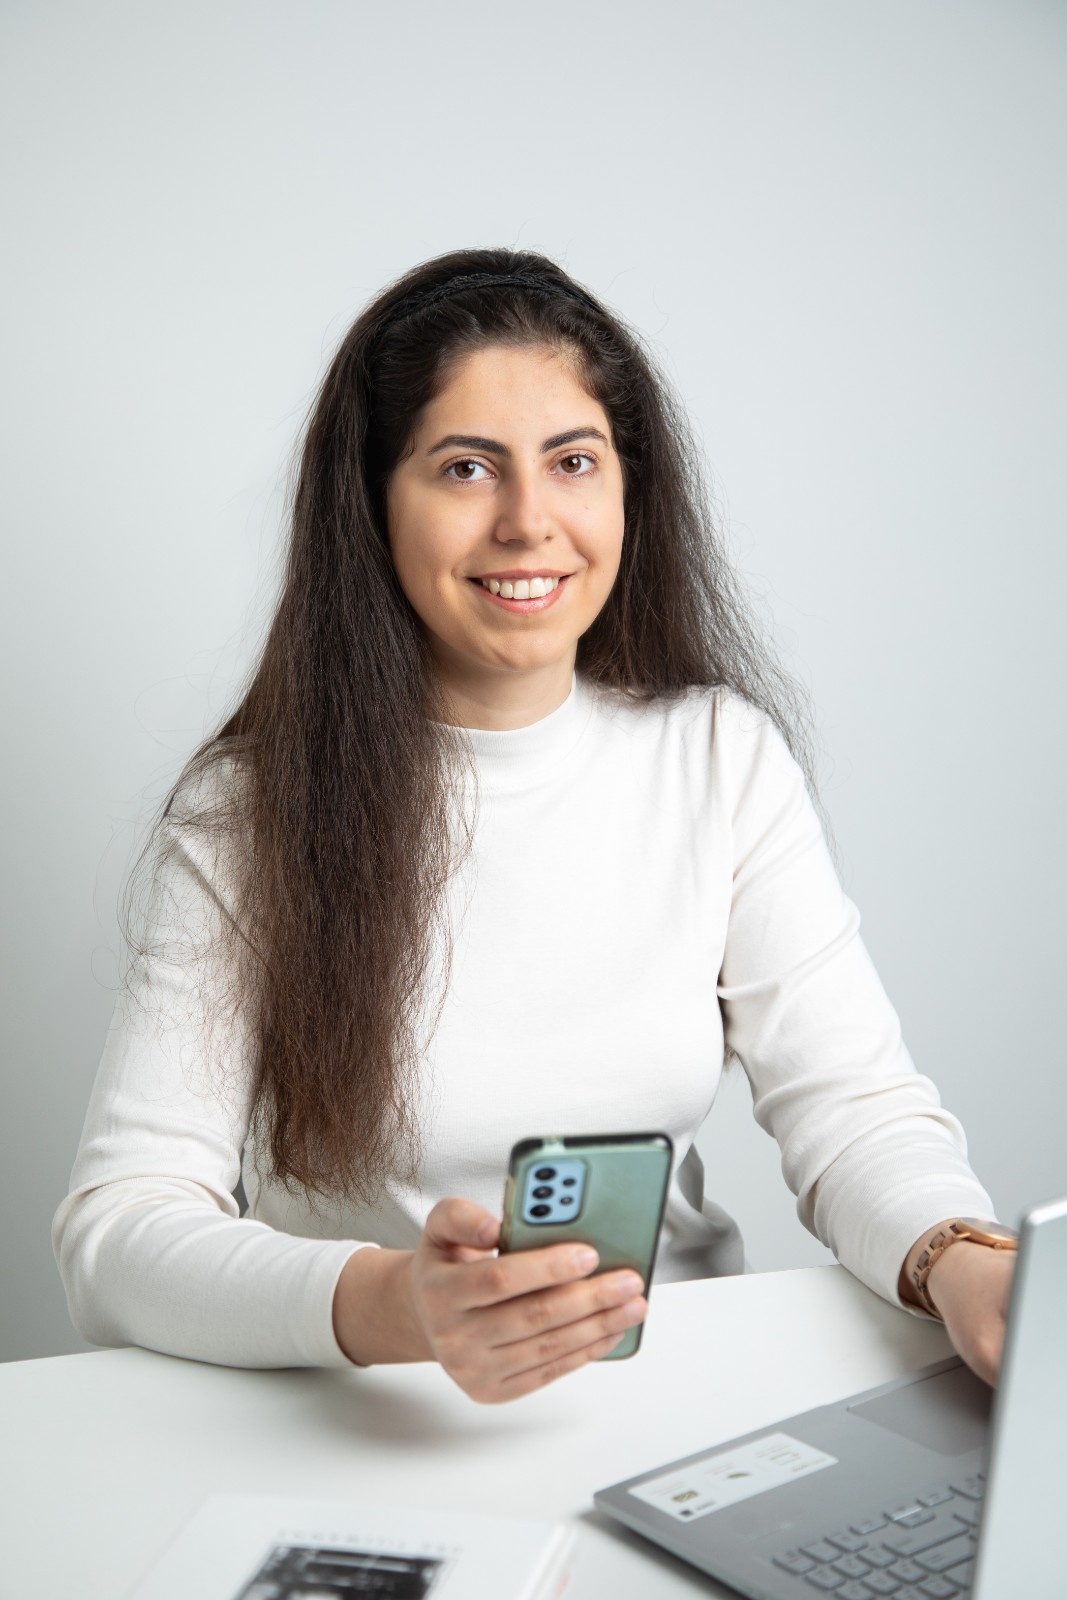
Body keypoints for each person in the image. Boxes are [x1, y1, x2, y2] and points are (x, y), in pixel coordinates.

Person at [53, 247, 1015, 1405]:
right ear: (370, 500)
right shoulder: (248, 812)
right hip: (369, 1406)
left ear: (625, 489)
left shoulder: (716, 756)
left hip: (677, 1387)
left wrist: (959, 1260)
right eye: (465, 467)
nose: (527, 522)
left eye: (571, 461)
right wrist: (391, 1303)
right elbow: (118, 1232)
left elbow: (850, 1113)